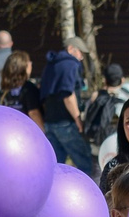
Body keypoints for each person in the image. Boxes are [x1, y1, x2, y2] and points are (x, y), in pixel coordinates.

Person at [36, 38, 95, 174]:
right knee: (85, 164)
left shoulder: (50, 65)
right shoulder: (70, 64)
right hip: (67, 123)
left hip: (50, 122)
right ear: (70, 49)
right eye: (80, 53)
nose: (81, 58)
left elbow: (43, 94)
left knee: (55, 168)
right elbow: (68, 95)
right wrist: (78, 119)